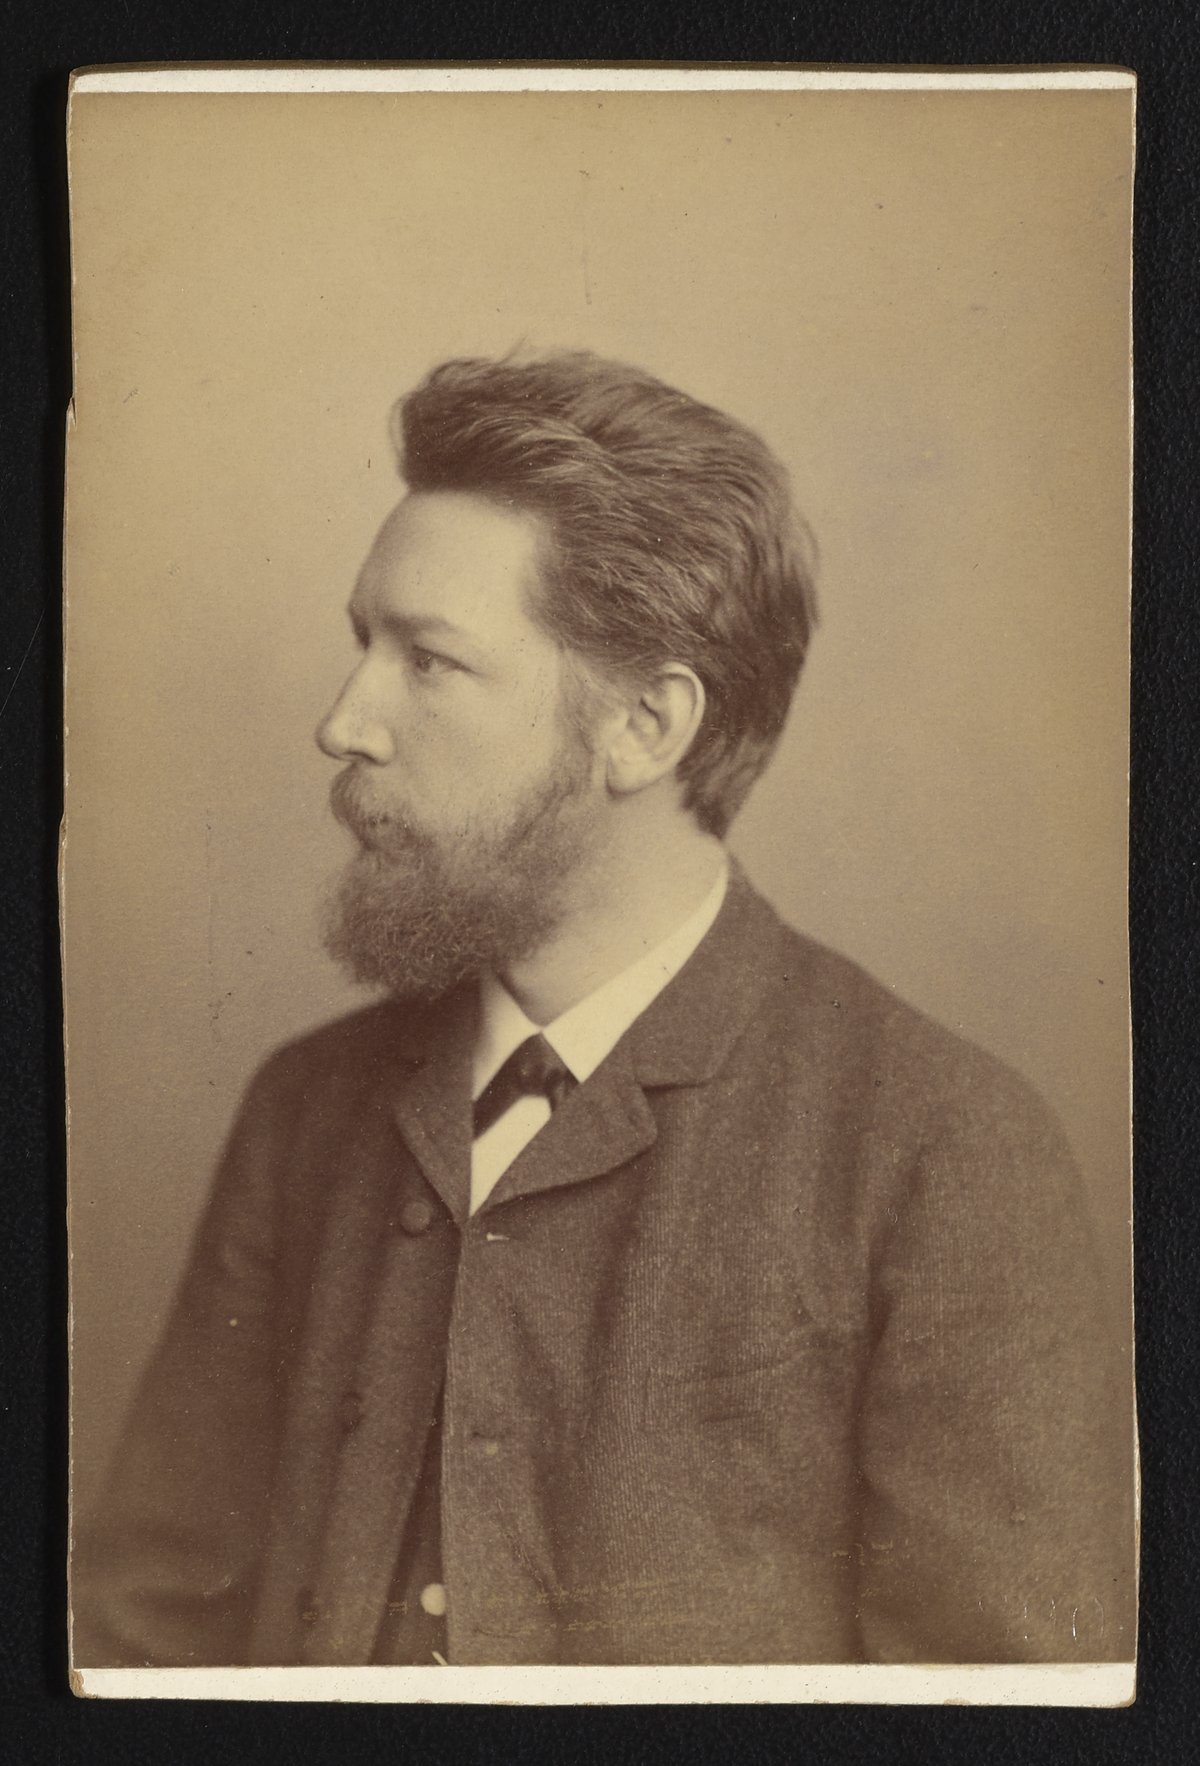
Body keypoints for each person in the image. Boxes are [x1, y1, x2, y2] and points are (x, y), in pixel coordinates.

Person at [72, 350, 1134, 1670]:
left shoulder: (944, 1150)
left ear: (645, 725)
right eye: (363, 646)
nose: (343, 724)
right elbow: (143, 1641)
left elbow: (1001, 1713)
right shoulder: (307, 1106)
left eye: (430, 661)